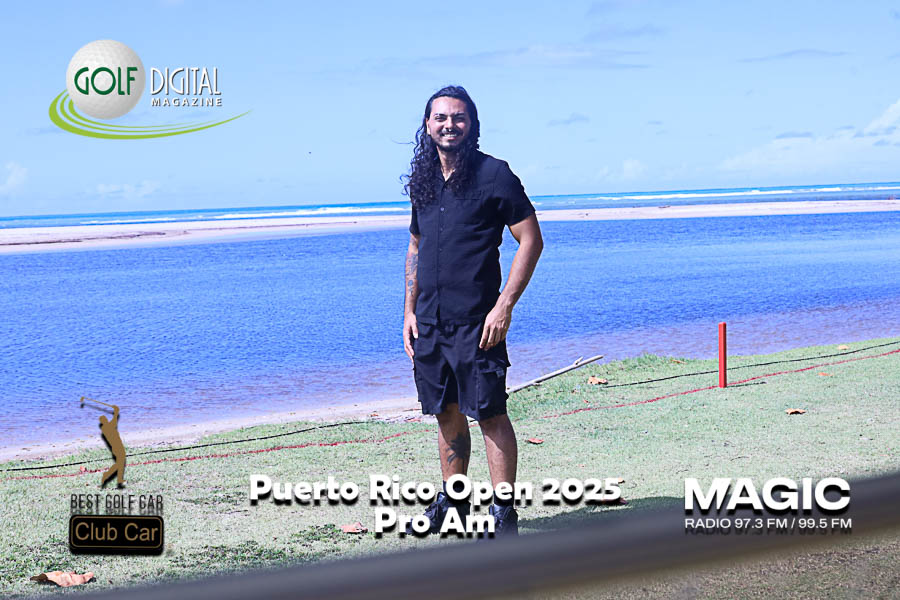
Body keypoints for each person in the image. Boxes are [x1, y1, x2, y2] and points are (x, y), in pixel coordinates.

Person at [402, 85, 543, 537]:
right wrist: (409, 311)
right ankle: (454, 501)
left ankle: (503, 512)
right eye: (441, 117)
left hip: (479, 324)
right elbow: (416, 246)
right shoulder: (424, 179)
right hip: (430, 323)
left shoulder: (494, 174)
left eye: (458, 117)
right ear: (428, 125)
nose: (450, 125)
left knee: (490, 413)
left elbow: (531, 239)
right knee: (445, 411)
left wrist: (504, 307)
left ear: (472, 124)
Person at [99, 404, 126, 487]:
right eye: (105, 419)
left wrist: (116, 412)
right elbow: (115, 418)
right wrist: (116, 411)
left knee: (120, 463)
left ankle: (119, 480)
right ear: (104, 421)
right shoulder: (108, 427)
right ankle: (107, 475)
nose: (106, 420)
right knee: (120, 463)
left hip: (117, 447)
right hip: (117, 447)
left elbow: (114, 419)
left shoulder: (105, 429)